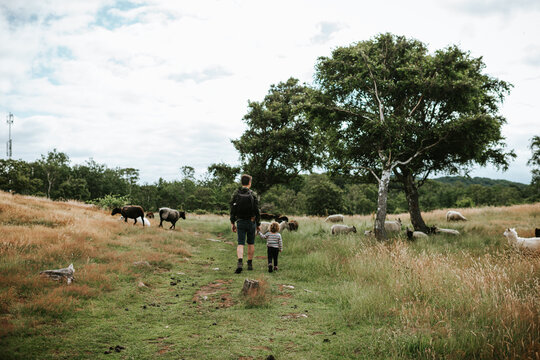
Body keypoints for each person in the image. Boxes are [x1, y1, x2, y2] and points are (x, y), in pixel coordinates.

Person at [230, 174, 260, 274]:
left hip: (240, 221)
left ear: (241, 182)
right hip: (251, 222)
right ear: (250, 183)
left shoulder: (236, 194)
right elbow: (257, 210)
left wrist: (232, 222)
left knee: (240, 243)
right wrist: (258, 224)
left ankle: (239, 262)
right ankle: (250, 264)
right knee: (251, 243)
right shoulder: (253, 194)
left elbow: (232, 209)